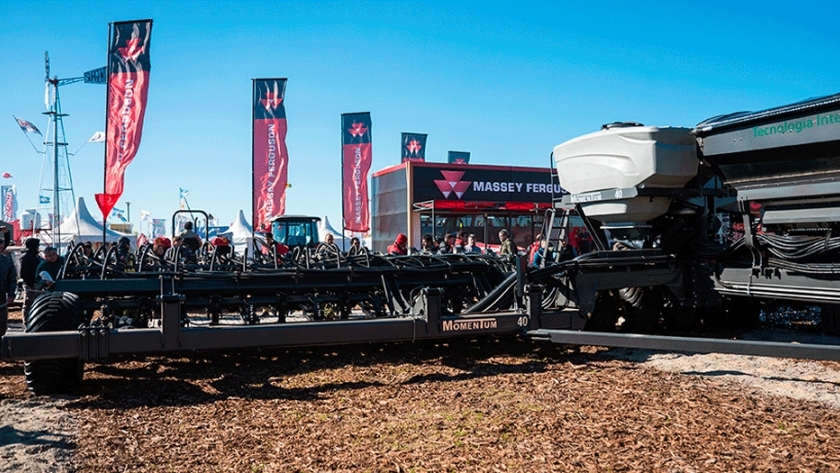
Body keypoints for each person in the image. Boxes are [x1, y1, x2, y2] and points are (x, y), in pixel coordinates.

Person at [19, 238, 42, 323]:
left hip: (37, 284)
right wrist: (31, 285)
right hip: (30, 285)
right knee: (29, 305)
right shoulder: (26, 258)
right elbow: (23, 273)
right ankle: (27, 322)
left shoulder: (36, 257)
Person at [0, 233, 17, 336]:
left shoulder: (6, 261)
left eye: (1, 248)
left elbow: (12, 278)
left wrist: (11, 294)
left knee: (1, 325)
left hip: (1, 296)